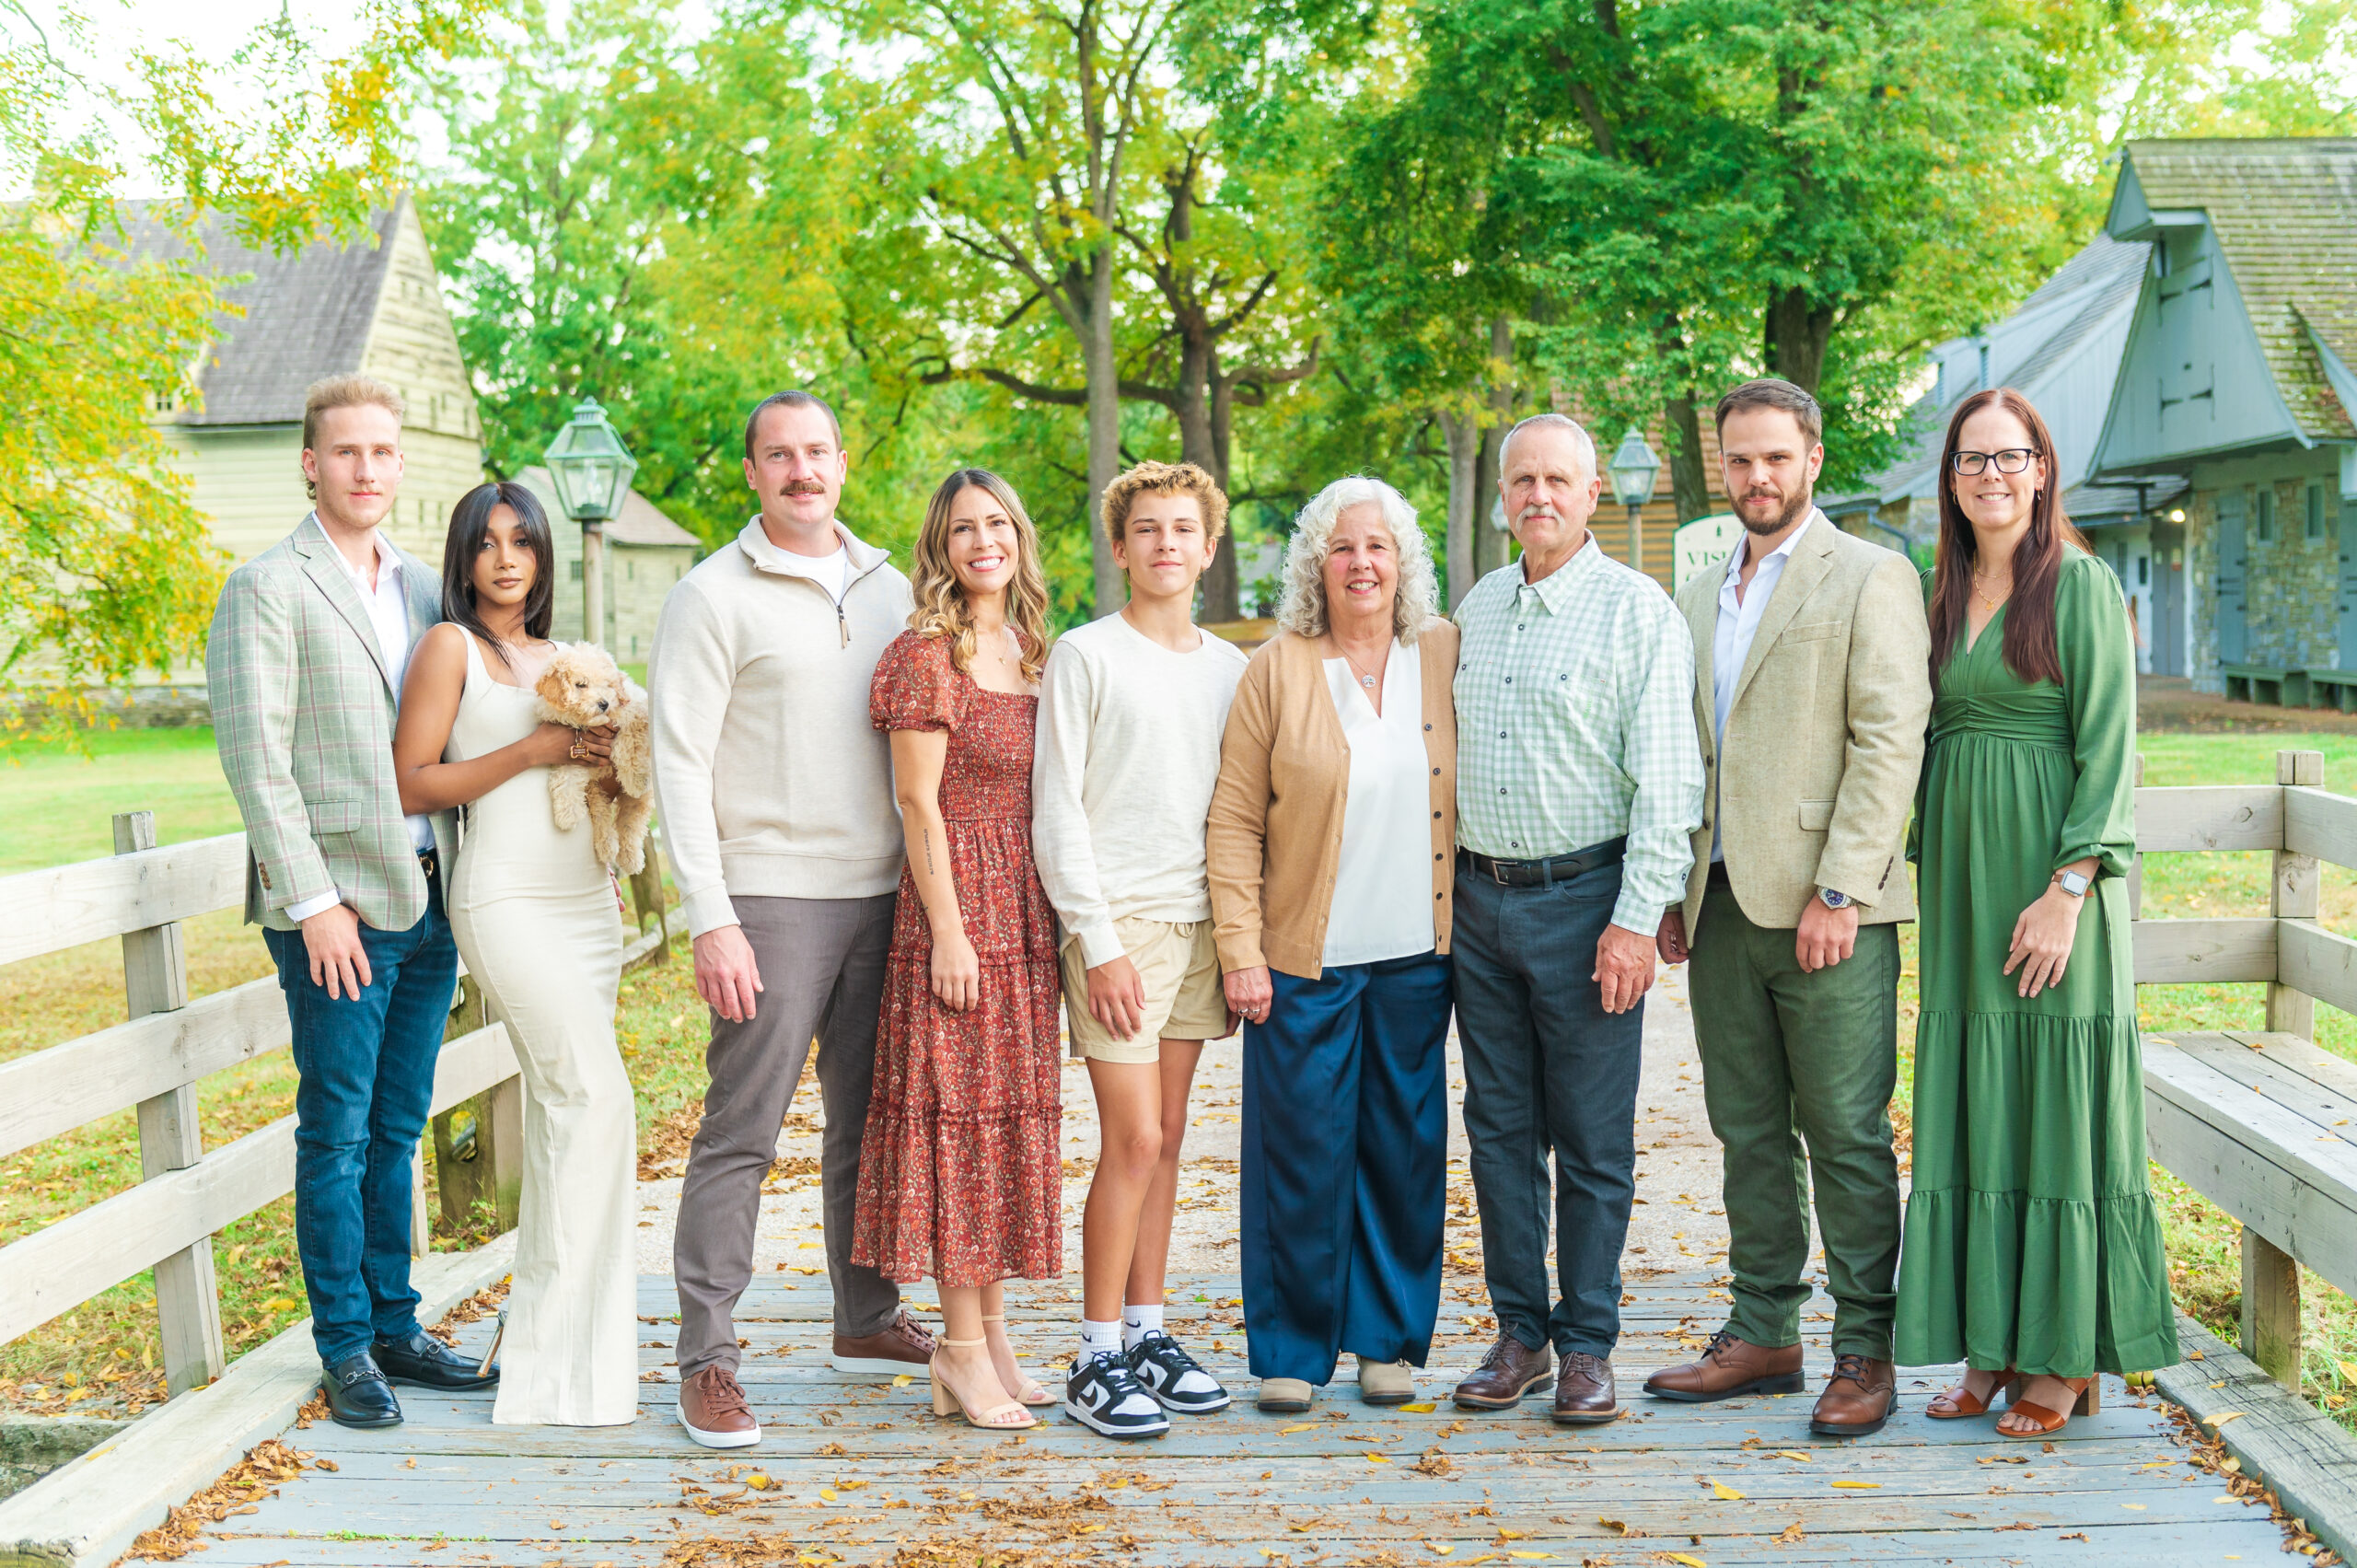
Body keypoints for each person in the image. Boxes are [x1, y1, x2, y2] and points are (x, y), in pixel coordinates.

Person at [206, 375, 499, 1429]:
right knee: (334, 1130)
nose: (366, 469)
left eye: (383, 452)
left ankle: (396, 1324)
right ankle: (343, 1346)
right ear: (310, 463)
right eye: (346, 453)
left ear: (397, 463)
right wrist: (314, 899)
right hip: (337, 912)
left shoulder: (426, 589)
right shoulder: (267, 585)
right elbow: (257, 757)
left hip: (429, 900)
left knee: (397, 1125)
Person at [650, 390, 934, 1451]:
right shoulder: (710, 596)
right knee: (743, 1133)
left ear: (843, 462)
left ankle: (863, 1317)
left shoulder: (893, 585)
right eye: (780, 455)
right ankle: (707, 1359)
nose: (801, 470)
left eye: (816, 451)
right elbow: (677, 760)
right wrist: (709, 915)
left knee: (868, 1121)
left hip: (884, 891)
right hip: (770, 893)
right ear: (753, 472)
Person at [1647, 379, 1931, 1437]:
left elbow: (1888, 740)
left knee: (1846, 1130)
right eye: (1739, 460)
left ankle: (1867, 1344)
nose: (1756, 477)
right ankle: (1763, 1326)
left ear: (1811, 458)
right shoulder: (1698, 586)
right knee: (1747, 1128)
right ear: (1721, 469)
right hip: (1719, 903)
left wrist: (1841, 887)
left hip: (1829, 910)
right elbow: (1689, 750)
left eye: (1775, 457)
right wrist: (1676, 884)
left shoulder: (1869, 574)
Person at [1896, 387, 2177, 1435]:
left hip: (2054, 887)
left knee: (2054, 1108)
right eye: (1972, 460)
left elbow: (2109, 749)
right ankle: (1992, 1343)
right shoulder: (1940, 593)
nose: (1992, 476)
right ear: (1951, 479)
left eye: (2010, 458)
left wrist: (2067, 888)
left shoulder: (2082, 586)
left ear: (2042, 469)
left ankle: (2061, 1355)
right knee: (1978, 1105)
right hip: (1963, 893)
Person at [1449, 413, 1703, 1424]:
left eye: (1558, 479)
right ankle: (1522, 1332)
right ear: (1504, 494)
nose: (1538, 495)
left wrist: (1636, 918)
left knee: (1592, 1139)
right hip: (1479, 903)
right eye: (1522, 480)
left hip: (1587, 903)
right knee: (1498, 1129)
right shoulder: (1478, 605)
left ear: (1592, 491)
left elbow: (1669, 784)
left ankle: (1588, 1337)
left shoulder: (1638, 612)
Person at [1205, 475, 1458, 1416]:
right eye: (1344, 547)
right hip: (1300, 957)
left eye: (1378, 547)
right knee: (1300, 1154)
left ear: (1403, 562)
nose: (1361, 563)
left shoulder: (1438, 651)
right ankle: (1290, 1348)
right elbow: (1233, 818)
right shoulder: (1276, 667)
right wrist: (1239, 947)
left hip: (1416, 959)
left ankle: (1386, 1342)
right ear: (1318, 562)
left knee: (1402, 1150)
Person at [389, 482, 636, 1426]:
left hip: (586, 902)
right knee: (594, 1095)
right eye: (487, 542)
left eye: (522, 541)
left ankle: (556, 1355)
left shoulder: (569, 657)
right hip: (503, 896)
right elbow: (415, 775)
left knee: (562, 1115)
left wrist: (606, 757)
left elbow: (606, 768)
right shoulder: (449, 646)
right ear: (465, 556)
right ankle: (552, 1358)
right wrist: (534, 751)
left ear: (541, 555)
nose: (505, 558)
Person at [1032, 460, 1248, 1438]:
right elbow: (1057, 810)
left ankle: (1150, 1331)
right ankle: (1095, 1349)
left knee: (1168, 1139)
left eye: (1183, 529)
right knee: (1131, 1141)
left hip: (1198, 923)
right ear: (1119, 548)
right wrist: (1100, 940)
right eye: (1146, 529)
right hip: (1119, 929)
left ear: (1208, 548)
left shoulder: (1229, 668)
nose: (1166, 543)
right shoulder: (1085, 656)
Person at [853, 468, 1063, 1432]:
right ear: (939, 546)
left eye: (997, 524)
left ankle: (991, 1343)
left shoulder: (1030, 648)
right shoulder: (925, 655)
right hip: (957, 907)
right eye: (962, 528)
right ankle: (959, 1348)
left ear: (1018, 536)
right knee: (957, 1128)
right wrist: (948, 928)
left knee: (998, 1125)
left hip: (1022, 907)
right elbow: (916, 803)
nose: (983, 540)